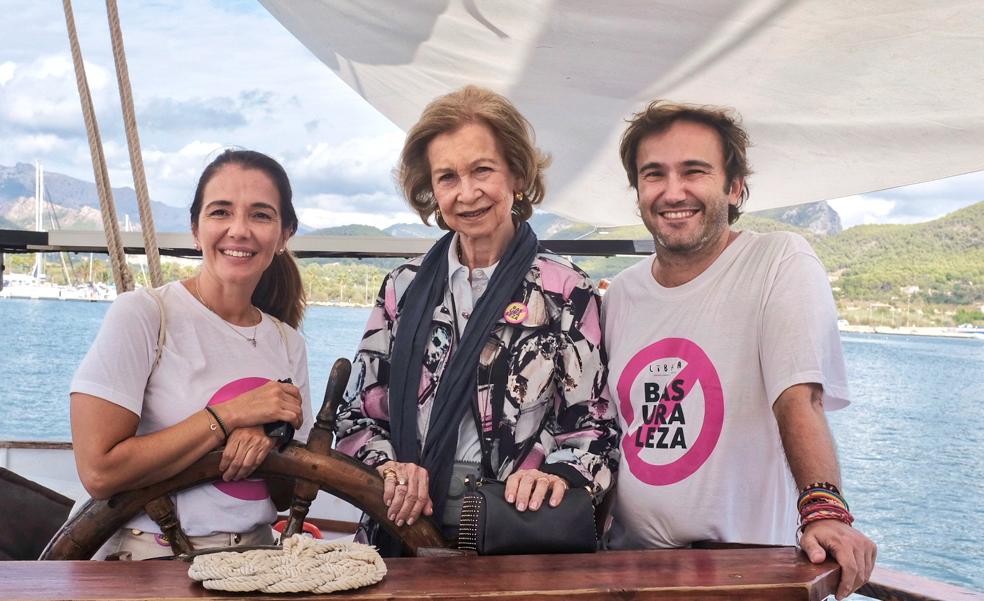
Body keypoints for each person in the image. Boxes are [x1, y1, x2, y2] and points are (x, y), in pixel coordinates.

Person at [602, 100, 876, 600]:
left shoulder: (777, 260)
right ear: (638, 190)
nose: (672, 191)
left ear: (734, 187)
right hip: (629, 570)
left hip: (742, 576)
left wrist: (824, 510)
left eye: (694, 171)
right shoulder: (619, 294)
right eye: (653, 174)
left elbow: (800, 396)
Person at [336, 85, 620, 552]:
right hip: (401, 530)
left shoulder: (566, 290)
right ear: (431, 189)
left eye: (482, 170)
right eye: (447, 177)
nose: (467, 194)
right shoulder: (401, 288)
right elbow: (357, 414)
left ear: (516, 174)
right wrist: (388, 468)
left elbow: (594, 427)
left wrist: (554, 476)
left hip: (517, 534)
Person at [70, 149, 312, 560]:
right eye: (220, 212)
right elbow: (99, 472)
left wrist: (269, 437)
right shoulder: (145, 314)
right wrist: (231, 416)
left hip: (256, 558)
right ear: (195, 229)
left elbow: (289, 495)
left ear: (284, 234)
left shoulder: (288, 342)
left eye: (260, 215)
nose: (239, 229)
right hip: (141, 560)